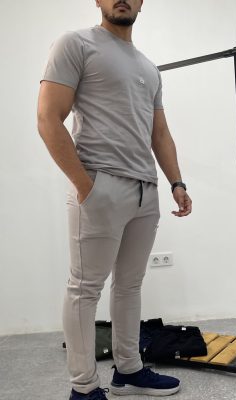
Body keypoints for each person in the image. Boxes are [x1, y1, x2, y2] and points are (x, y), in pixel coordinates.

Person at [37, 0, 192, 398]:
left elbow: (160, 132)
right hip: (100, 184)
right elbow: (48, 117)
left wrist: (176, 182)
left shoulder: (149, 67)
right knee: (85, 288)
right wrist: (85, 185)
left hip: (145, 191)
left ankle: (128, 369)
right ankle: (84, 388)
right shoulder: (76, 44)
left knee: (129, 285)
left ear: (141, 3)